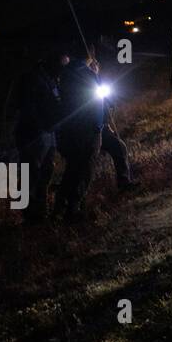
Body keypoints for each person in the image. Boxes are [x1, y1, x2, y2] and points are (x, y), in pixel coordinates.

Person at [13, 48, 66, 224]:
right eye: (61, 65)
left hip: (48, 132)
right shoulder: (33, 79)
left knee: (46, 172)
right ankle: (28, 216)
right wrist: (41, 125)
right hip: (33, 134)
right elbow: (27, 108)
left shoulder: (51, 78)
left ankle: (40, 212)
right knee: (31, 175)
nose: (63, 69)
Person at [53, 45, 106, 222]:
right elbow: (99, 100)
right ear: (90, 54)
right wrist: (96, 75)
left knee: (72, 168)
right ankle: (73, 208)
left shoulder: (65, 73)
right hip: (88, 128)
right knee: (85, 168)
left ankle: (58, 207)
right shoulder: (87, 74)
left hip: (70, 128)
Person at [87, 53, 136, 191]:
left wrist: (107, 121)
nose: (95, 67)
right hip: (88, 130)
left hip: (102, 127)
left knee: (119, 147)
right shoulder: (83, 82)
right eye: (92, 65)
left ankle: (124, 182)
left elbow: (107, 105)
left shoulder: (98, 82)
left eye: (96, 65)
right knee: (85, 164)